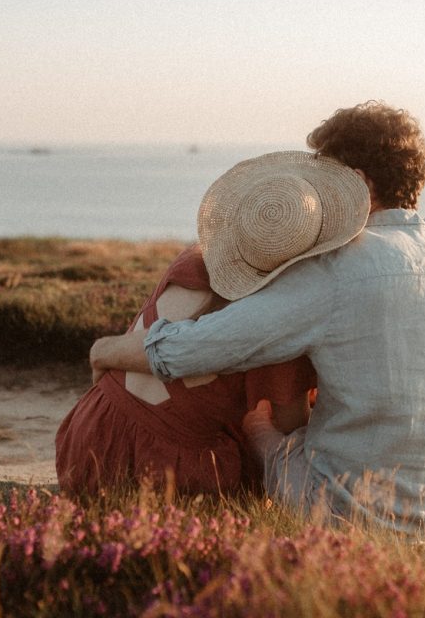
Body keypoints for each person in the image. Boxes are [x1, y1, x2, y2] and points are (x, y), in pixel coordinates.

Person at [89, 102, 425, 539]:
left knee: (258, 421)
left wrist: (105, 350)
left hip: (349, 509)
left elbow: (200, 349)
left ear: (359, 184)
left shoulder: (338, 268)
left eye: (330, 182)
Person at [57, 150, 370, 497]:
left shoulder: (193, 262)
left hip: (92, 430)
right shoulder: (278, 323)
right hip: (159, 465)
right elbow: (290, 429)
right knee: (262, 439)